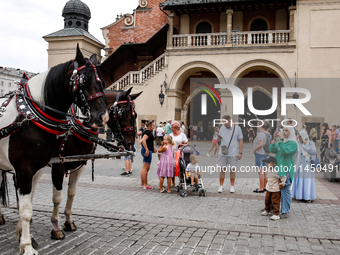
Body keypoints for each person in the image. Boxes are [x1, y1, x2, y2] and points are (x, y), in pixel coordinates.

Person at [269, 126, 298, 219]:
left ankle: (285, 211)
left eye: (286, 131)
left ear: (291, 133)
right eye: (283, 130)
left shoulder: (293, 144)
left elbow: (285, 151)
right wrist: (274, 139)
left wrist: (281, 140)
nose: (284, 132)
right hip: (277, 169)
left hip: (286, 170)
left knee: (285, 190)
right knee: (274, 189)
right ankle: (273, 207)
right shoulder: (281, 142)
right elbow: (272, 149)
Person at [217, 115, 243, 193]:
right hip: (223, 153)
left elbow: (240, 140)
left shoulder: (237, 129)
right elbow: (219, 140)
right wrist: (218, 139)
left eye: (225, 122)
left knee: (232, 170)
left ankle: (232, 186)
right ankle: (221, 186)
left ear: (229, 121)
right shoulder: (222, 128)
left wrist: (240, 152)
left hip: (233, 153)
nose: (224, 124)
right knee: (222, 170)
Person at [292, 130, 316, 202]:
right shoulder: (298, 144)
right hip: (299, 165)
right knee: (299, 180)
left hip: (307, 165)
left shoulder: (310, 143)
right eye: (299, 136)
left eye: (300, 136)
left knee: (306, 181)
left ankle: (307, 196)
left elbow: (313, 151)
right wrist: (296, 139)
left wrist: (306, 144)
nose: (299, 138)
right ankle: (298, 195)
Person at [261, 156, 286, 221]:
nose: (267, 164)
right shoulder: (269, 169)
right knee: (267, 200)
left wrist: (282, 184)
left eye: (269, 163)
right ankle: (267, 210)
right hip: (269, 188)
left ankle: (276, 214)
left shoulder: (277, 170)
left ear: (274, 163)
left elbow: (283, 177)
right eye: (267, 163)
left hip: (275, 189)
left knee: (275, 202)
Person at [170, 121, 189, 186]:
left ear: (176, 128)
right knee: (172, 168)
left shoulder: (182, 135)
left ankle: (180, 182)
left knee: (179, 168)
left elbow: (187, 144)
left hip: (179, 154)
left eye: (172, 127)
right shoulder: (170, 135)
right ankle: (173, 182)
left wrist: (182, 145)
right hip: (171, 154)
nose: (171, 129)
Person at [140, 120, 157, 189]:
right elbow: (143, 140)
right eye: (153, 126)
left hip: (148, 149)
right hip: (147, 151)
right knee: (146, 168)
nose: (154, 127)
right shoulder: (147, 132)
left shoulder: (147, 131)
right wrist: (147, 149)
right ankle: (145, 184)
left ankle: (142, 183)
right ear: (149, 126)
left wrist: (153, 147)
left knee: (144, 168)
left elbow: (148, 141)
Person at [253, 121, 269, 193]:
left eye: (258, 125)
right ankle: (265, 186)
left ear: (261, 126)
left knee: (260, 172)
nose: (257, 126)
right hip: (265, 154)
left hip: (259, 154)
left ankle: (261, 188)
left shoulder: (261, 134)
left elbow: (261, 144)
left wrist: (254, 150)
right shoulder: (267, 133)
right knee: (265, 171)